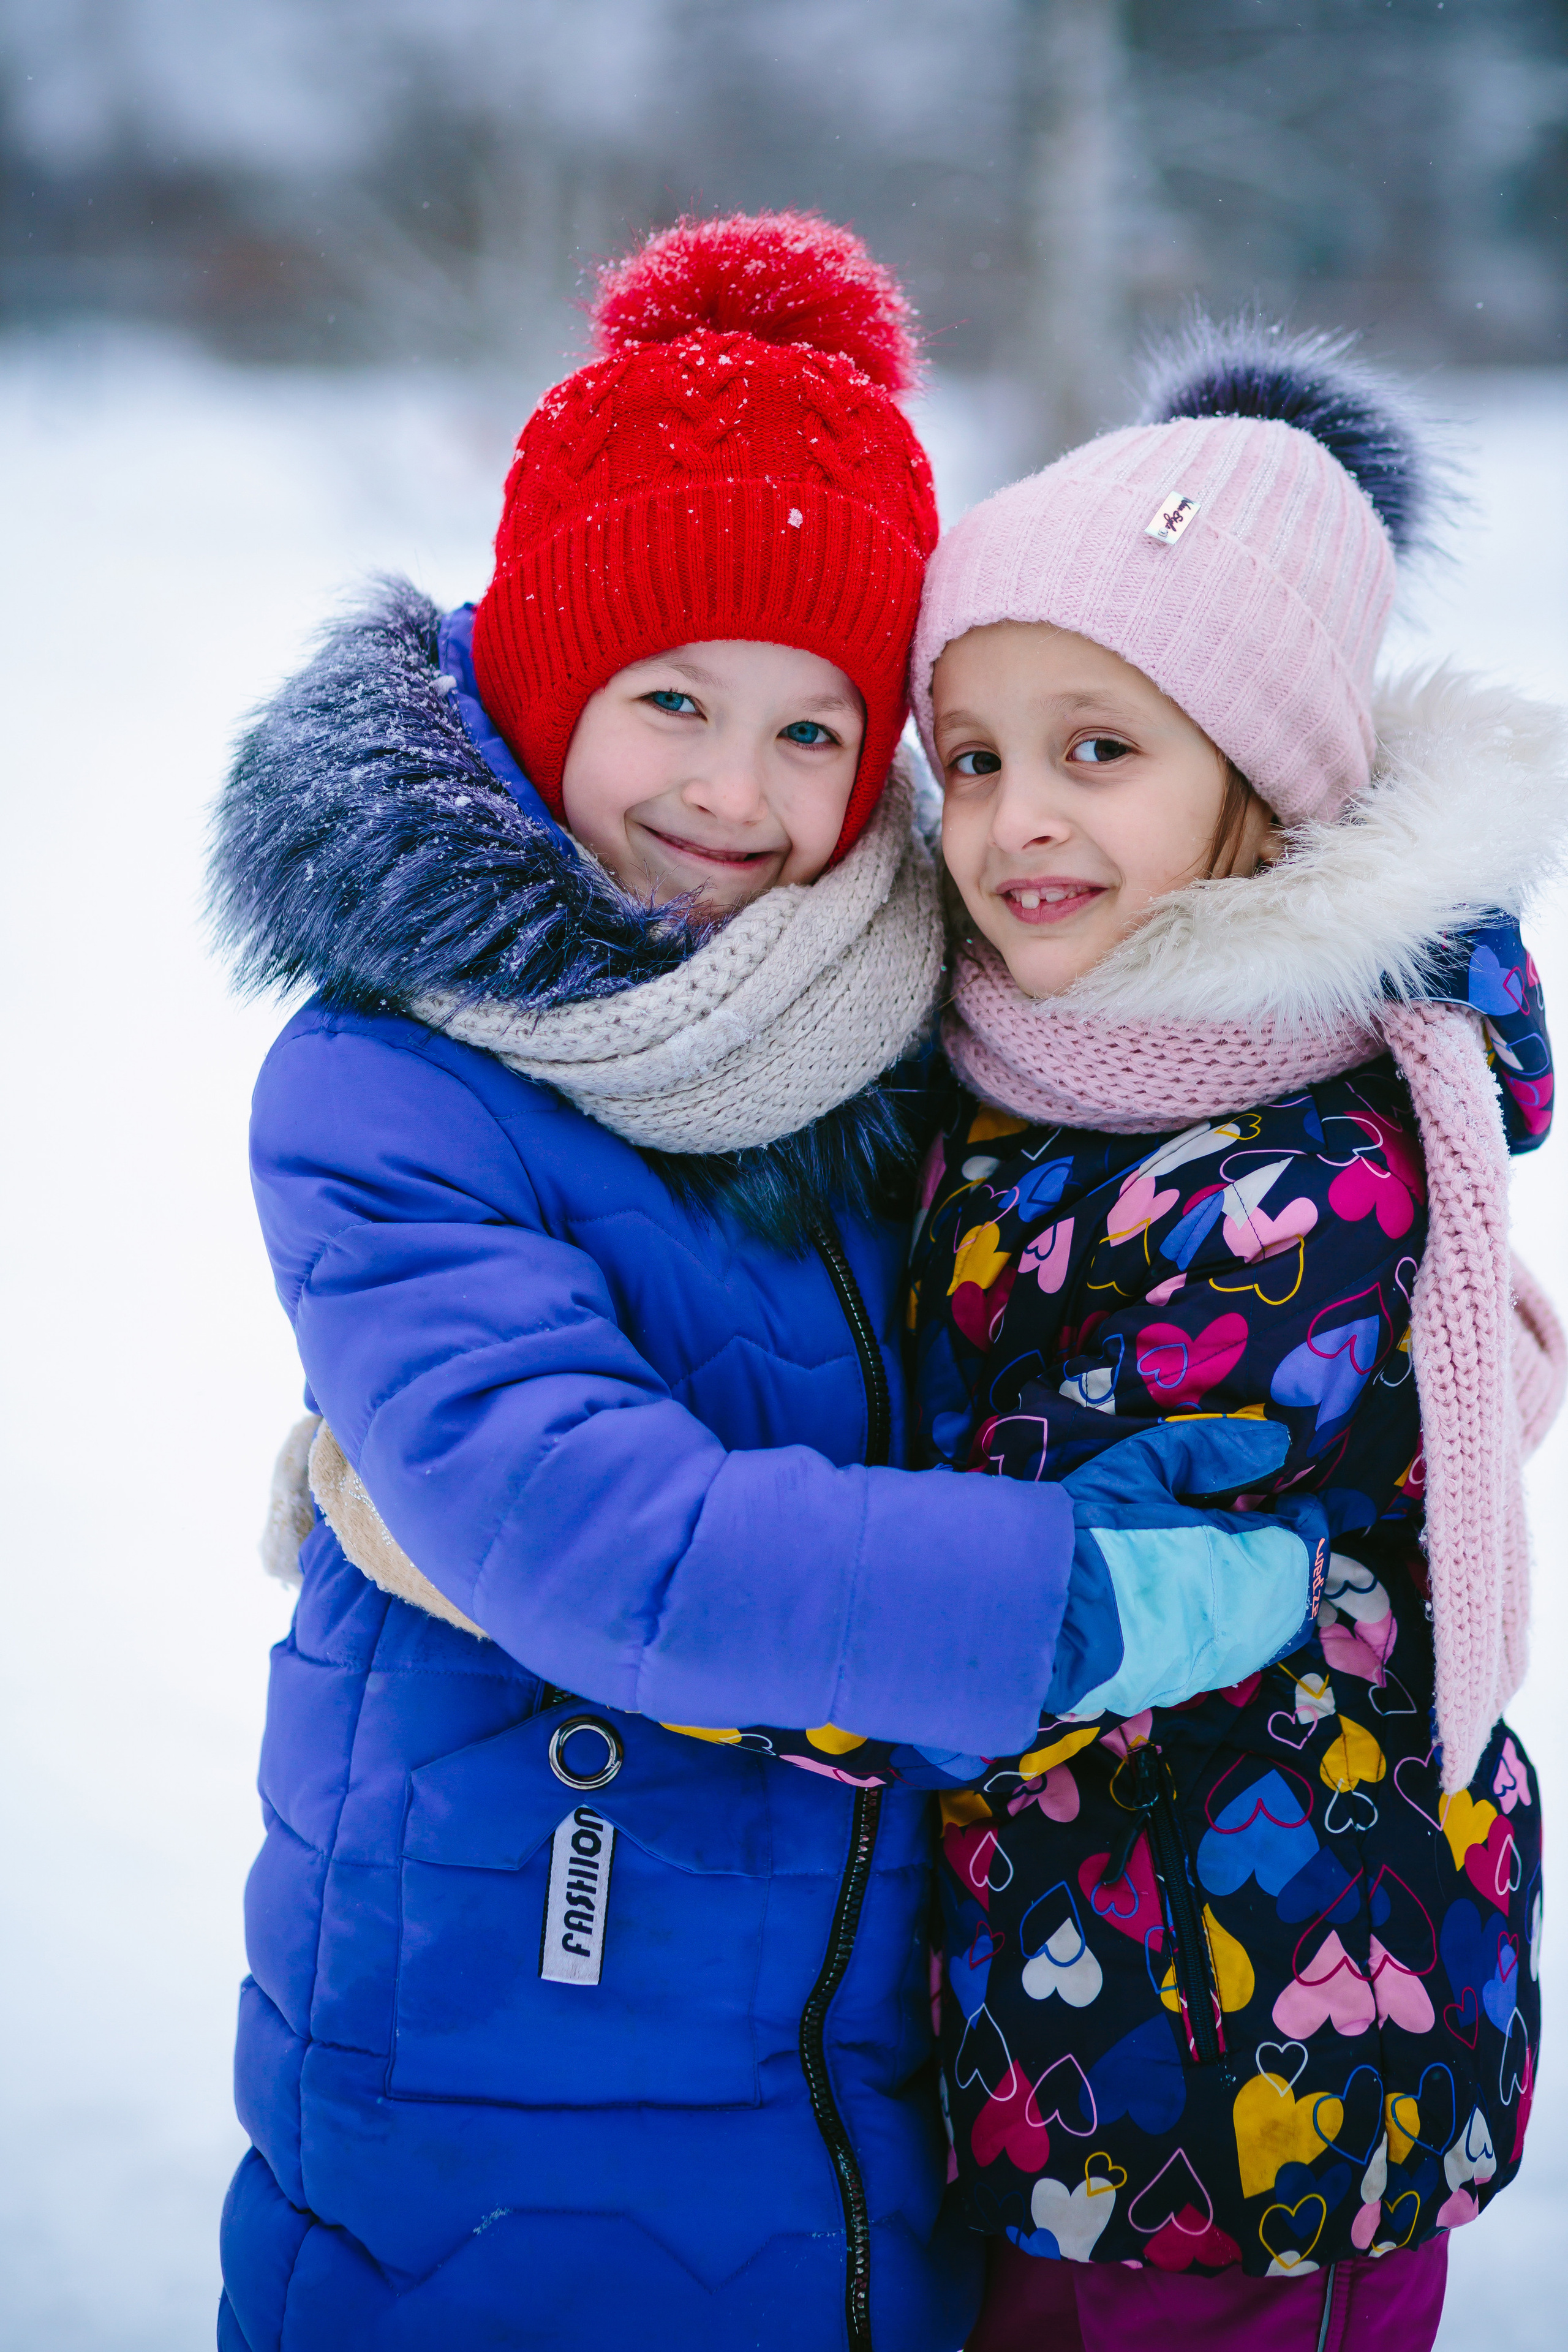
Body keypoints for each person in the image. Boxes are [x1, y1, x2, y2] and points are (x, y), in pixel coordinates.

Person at [208, 222, 1319, 2352]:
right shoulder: (385, 1084)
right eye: (673, 702)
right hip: (511, 2050)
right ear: (545, 688)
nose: (734, 792)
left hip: (862, 2063)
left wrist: (1408, 1282)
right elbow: (588, 1530)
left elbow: (1196, 1065)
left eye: (815, 728)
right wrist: (1070, 1605)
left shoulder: (903, 1021)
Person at [895, 323, 1561, 2350]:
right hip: (1070, 2043)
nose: (1017, 816)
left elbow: (1027, 1595)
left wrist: (658, 1600)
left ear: (1261, 790)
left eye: (1098, 750)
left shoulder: (1303, 1177)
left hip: (1269, 2089)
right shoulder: (1029, 1074)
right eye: (974, 754)